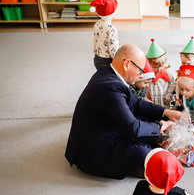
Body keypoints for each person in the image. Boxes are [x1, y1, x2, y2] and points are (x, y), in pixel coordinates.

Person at [65, 44, 181, 179]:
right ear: (126, 64)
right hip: (96, 151)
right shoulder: (111, 87)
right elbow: (132, 127)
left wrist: (166, 112)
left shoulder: (107, 72)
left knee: (147, 121)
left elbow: (136, 103)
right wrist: (161, 126)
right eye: (140, 70)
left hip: (103, 129)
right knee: (151, 159)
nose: (140, 75)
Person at [90, 0, 119, 69]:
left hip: (97, 58)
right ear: (113, 13)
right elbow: (113, 49)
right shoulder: (111, 29)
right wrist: (117, 60)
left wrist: (96, 53)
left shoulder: (97, 24)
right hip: (108, 61)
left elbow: (94, 41)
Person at [146, 38, 176, 107]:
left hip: (164, 103)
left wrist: (168, 96)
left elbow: (172, 85)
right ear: (149, 64)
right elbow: (143, 88)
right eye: (155, 67)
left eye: (161, 66)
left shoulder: (168, 74)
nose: (159, 69)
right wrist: (147, 100)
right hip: (151, 104)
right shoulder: (147, 75)